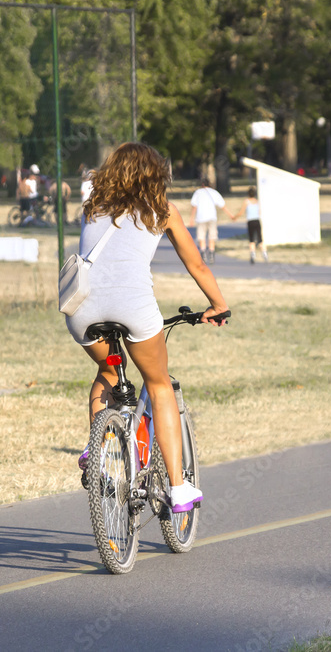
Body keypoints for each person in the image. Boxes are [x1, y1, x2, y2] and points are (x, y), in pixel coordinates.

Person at [67, 142, 230, 513]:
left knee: (108, 369)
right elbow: (198, 266)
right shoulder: (162, 210)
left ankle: (98, 450)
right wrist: (218, 305)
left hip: (80, 307)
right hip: (133, 307)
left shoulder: (92, 208)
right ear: (157, 174)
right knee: (158, 384)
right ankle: (177, 488)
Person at [188, 178, 233, 263]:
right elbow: (222, 205)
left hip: (201, 218)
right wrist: (231, 215)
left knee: (201, 236)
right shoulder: (214, 192)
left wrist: (191, 219)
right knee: (212, 236)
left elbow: (194, 206)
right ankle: (211, 254)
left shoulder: (198, 193)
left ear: (202, 185)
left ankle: (203, 253)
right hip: (212, 217)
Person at [234, 186, 268, 264]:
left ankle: (253, 255)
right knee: (260, 238)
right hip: (257, 221)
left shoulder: (246, 201)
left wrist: (235, 217)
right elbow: (259, 212)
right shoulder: (257, 201)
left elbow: (241, 212)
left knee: (251, 239)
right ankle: (264, 253)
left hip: (250, 222)